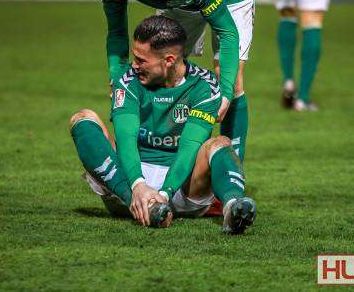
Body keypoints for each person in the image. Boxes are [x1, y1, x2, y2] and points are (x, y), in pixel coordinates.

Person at [69, 16, 256, 234]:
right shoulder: (127, 80)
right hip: (128, 183)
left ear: (168, 60)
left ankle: (233, 206)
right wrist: (138, 187)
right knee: (83, 118)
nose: (134, 65)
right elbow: (125, 138)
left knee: (220, 143)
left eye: (141, 60)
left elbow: (190, 147)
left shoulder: (204, 85)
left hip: (183, 187)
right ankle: (142, 206)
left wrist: (165, 193)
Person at [92, 0, 253, 164]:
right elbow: (116, 32)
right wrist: (117, 77)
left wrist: (226, 93)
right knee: (160, 68)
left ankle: (232, 170)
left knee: (230, 77)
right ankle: (157, 159)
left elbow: (227, 32)